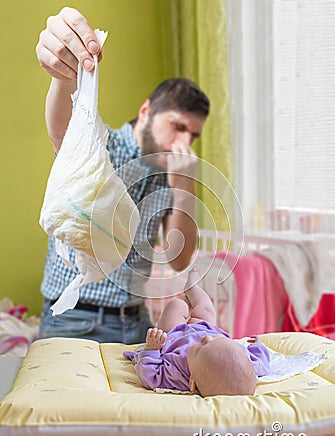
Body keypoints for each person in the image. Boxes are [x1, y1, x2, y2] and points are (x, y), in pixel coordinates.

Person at [35, 7, 210, 343]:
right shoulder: (105, 145)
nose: (184, 142)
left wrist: (184, 188)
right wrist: (64, 77)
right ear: (146, 111)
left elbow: (179, 259)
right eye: (178, 127)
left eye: (193, 135)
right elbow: (63, 127)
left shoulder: (169, 175)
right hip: (72, 318)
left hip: (136, 322)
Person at [123, 268, 270, 397]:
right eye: (215, 340)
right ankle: (192, 288)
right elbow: (260, 363)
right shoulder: (241, 364)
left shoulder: (175, 374)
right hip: (205, 326)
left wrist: (152, 348)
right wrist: (257, 347)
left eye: (199, 349)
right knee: (205, 309)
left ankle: (185, 301)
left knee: (176, 305)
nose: (206, 339)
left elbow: (149, 374)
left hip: (175, 335)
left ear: (192, 382)